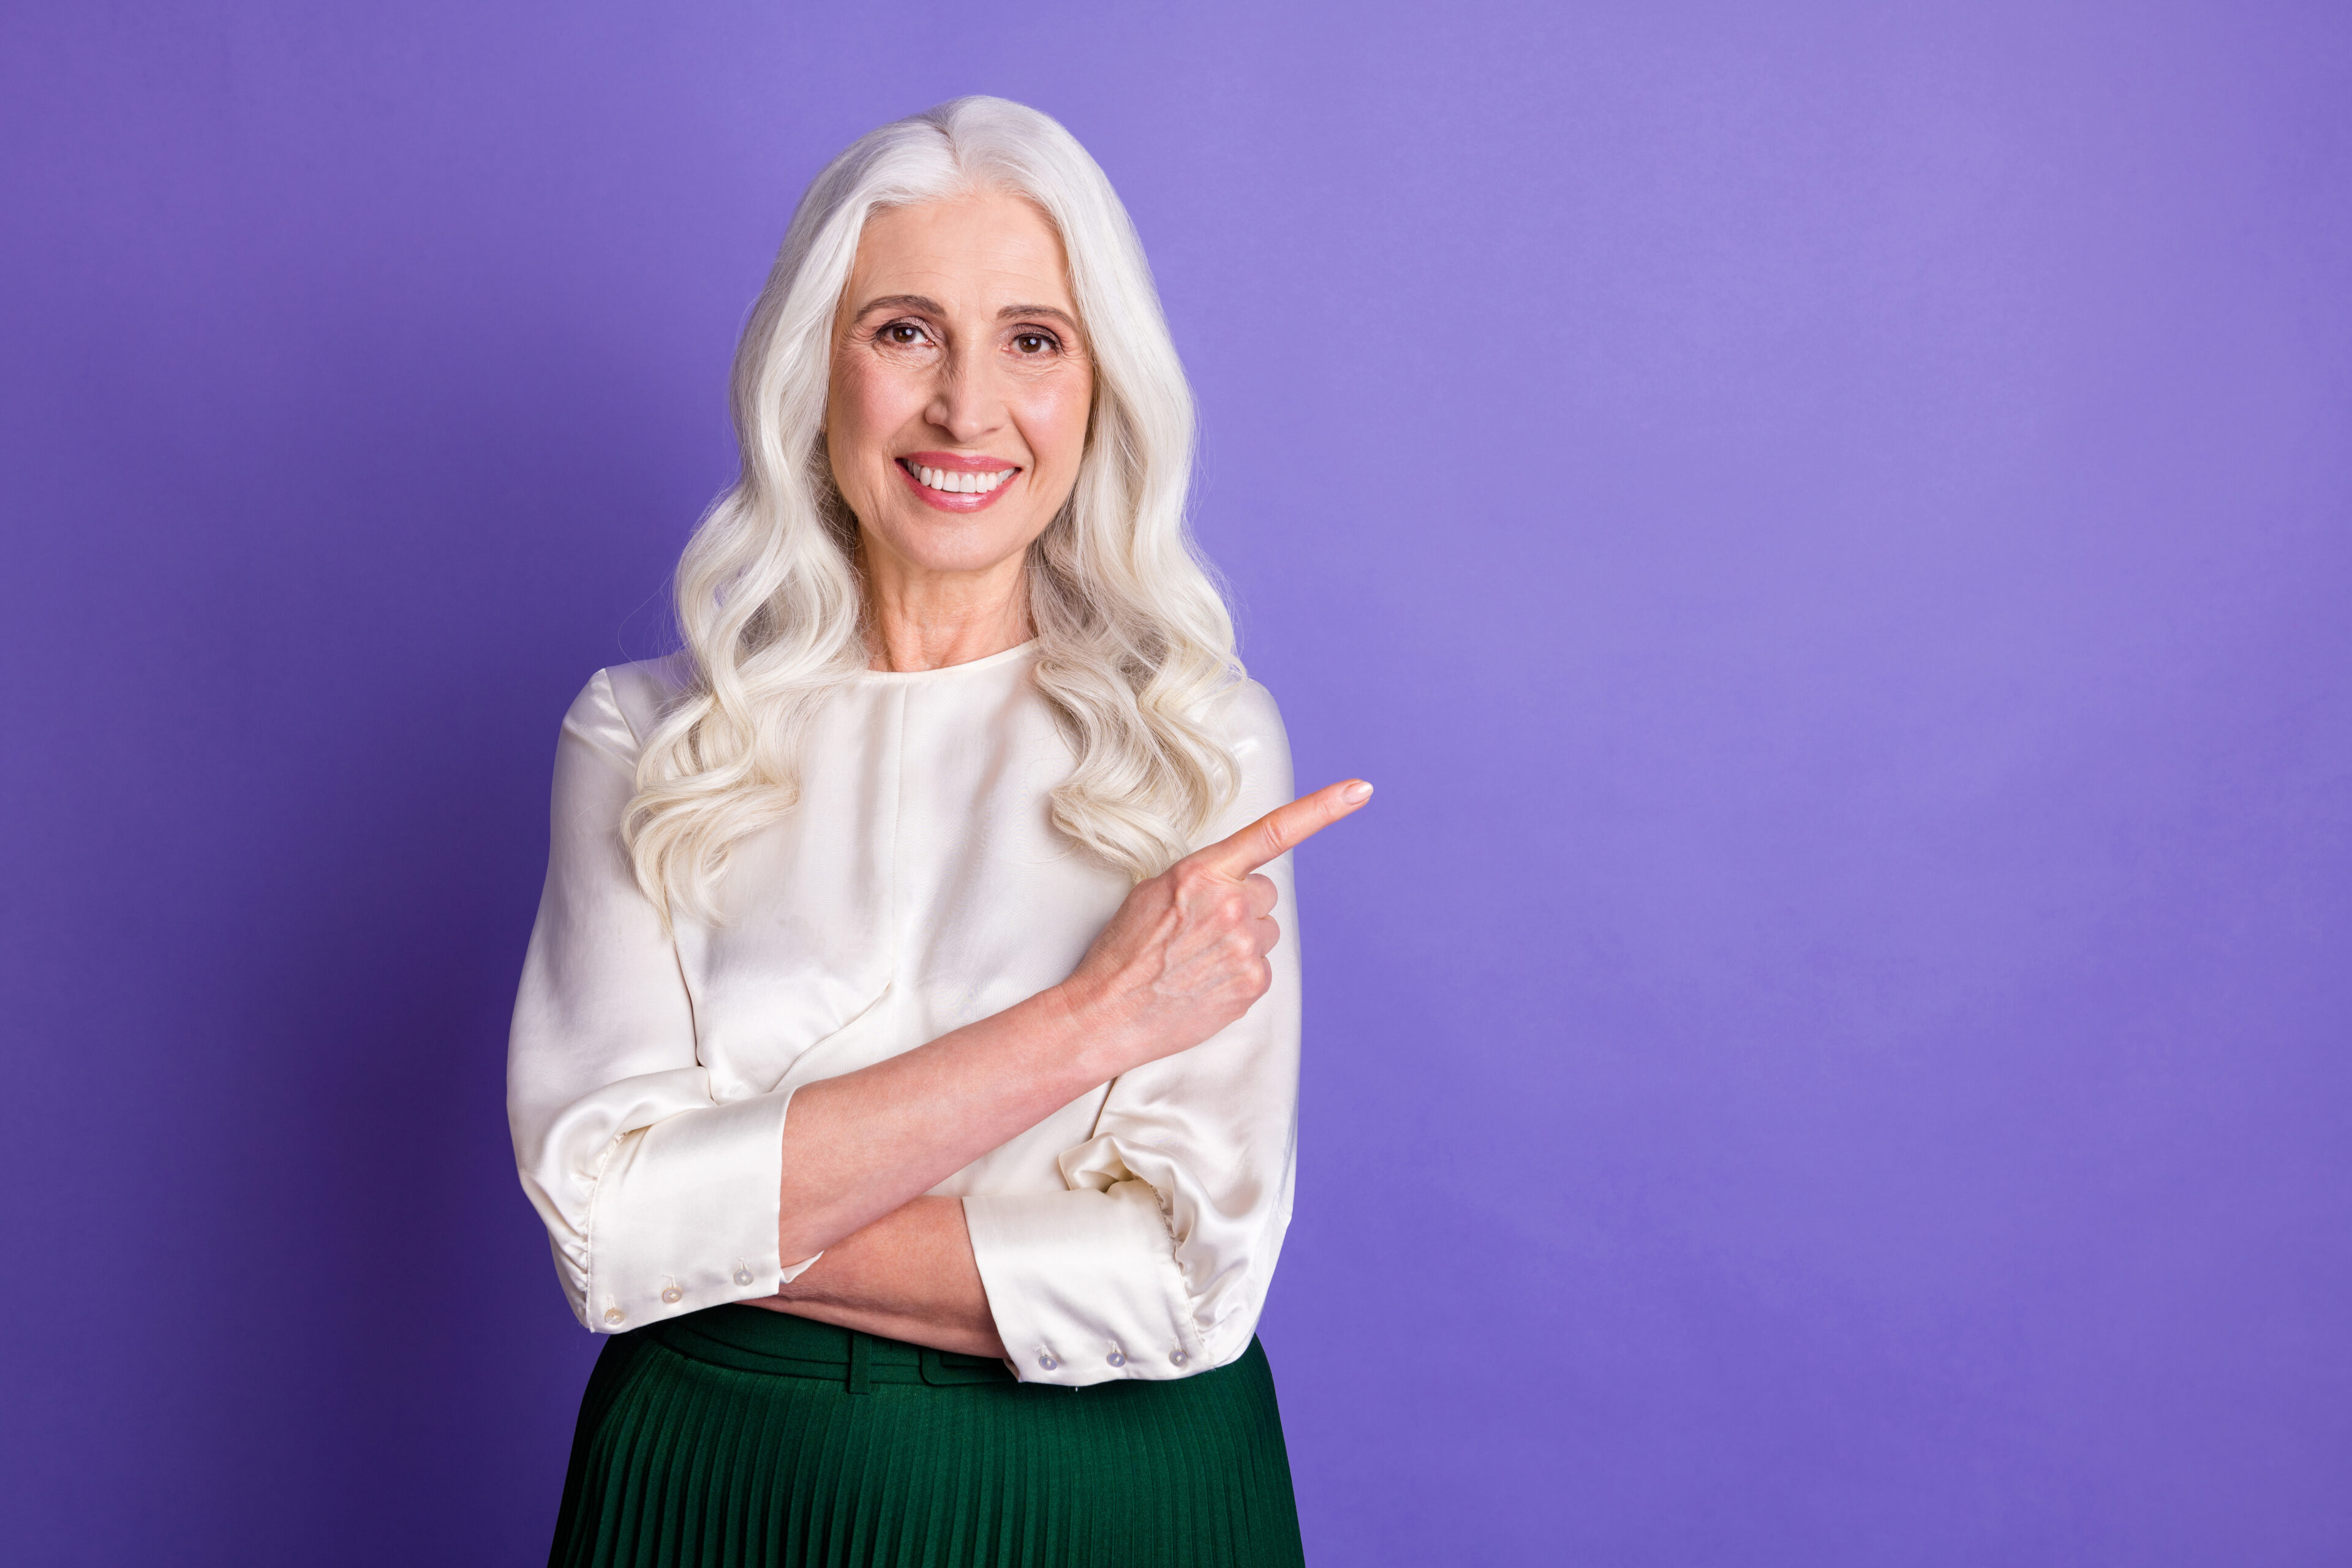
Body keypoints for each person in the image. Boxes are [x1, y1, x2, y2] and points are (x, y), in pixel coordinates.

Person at [507, 96, 1369, 1567]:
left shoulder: (1201, 744)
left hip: (1116, 1502)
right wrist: (1089, 1025)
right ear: (813, 366)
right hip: (722, 1485)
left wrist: (710, 1220)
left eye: (1033, 339)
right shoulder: (645, 738)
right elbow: (602, 1223)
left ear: (1100, 385)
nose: (970, 409)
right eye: (904, 330)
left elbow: (1186, 1282)